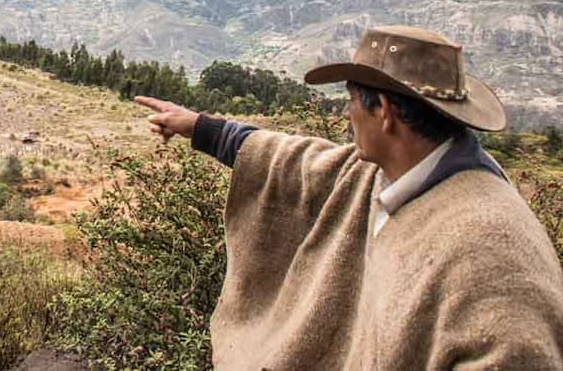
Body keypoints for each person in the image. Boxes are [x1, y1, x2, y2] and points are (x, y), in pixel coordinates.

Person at [135, 25, 563, 369]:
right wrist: (201, 127)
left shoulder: (491, 252)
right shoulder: (397, 173)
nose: (344, 113)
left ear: (385, 113)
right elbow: (296, 161)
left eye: (351, 100)